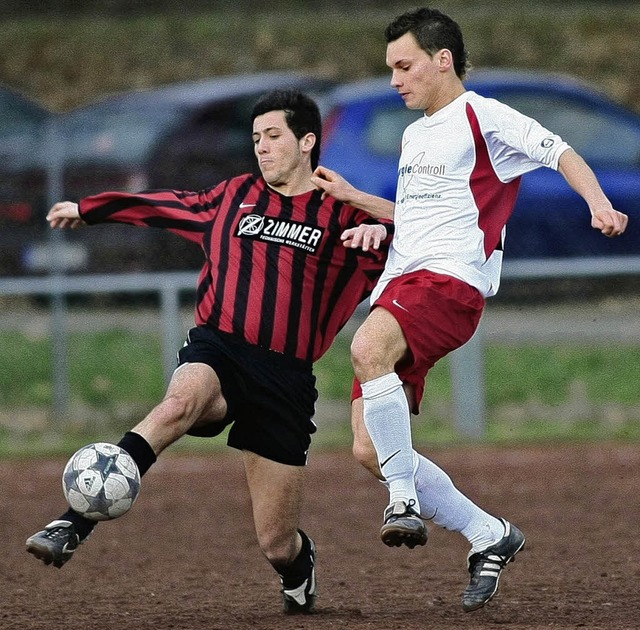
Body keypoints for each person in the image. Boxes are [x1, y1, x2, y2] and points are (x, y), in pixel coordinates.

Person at [25, 89, 392, 615]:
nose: (262, 148)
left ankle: (298, 566)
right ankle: (73, 521)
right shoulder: (233, 196)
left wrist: (380, 232)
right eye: (256, 138)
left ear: (307, 141)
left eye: (273, 137)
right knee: (181, 401)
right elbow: (166, 204)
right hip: (218, 347)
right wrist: (91, 209)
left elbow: (419, 249)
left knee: (275, 542)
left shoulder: (343, 214)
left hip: (285, 379)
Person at [311, 6, 628, 613]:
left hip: (449, 285)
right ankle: (490, 534)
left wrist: (598, 204)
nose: (396, 79)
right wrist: (359, 205)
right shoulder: (413, 135)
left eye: (404, 66)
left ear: (442, 60)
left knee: (366, 347)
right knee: (371, 451)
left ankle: (403, 502)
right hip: (405, 286)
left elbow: (562, 152)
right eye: (391, 69)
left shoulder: (483, 115)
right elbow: (420, 215)